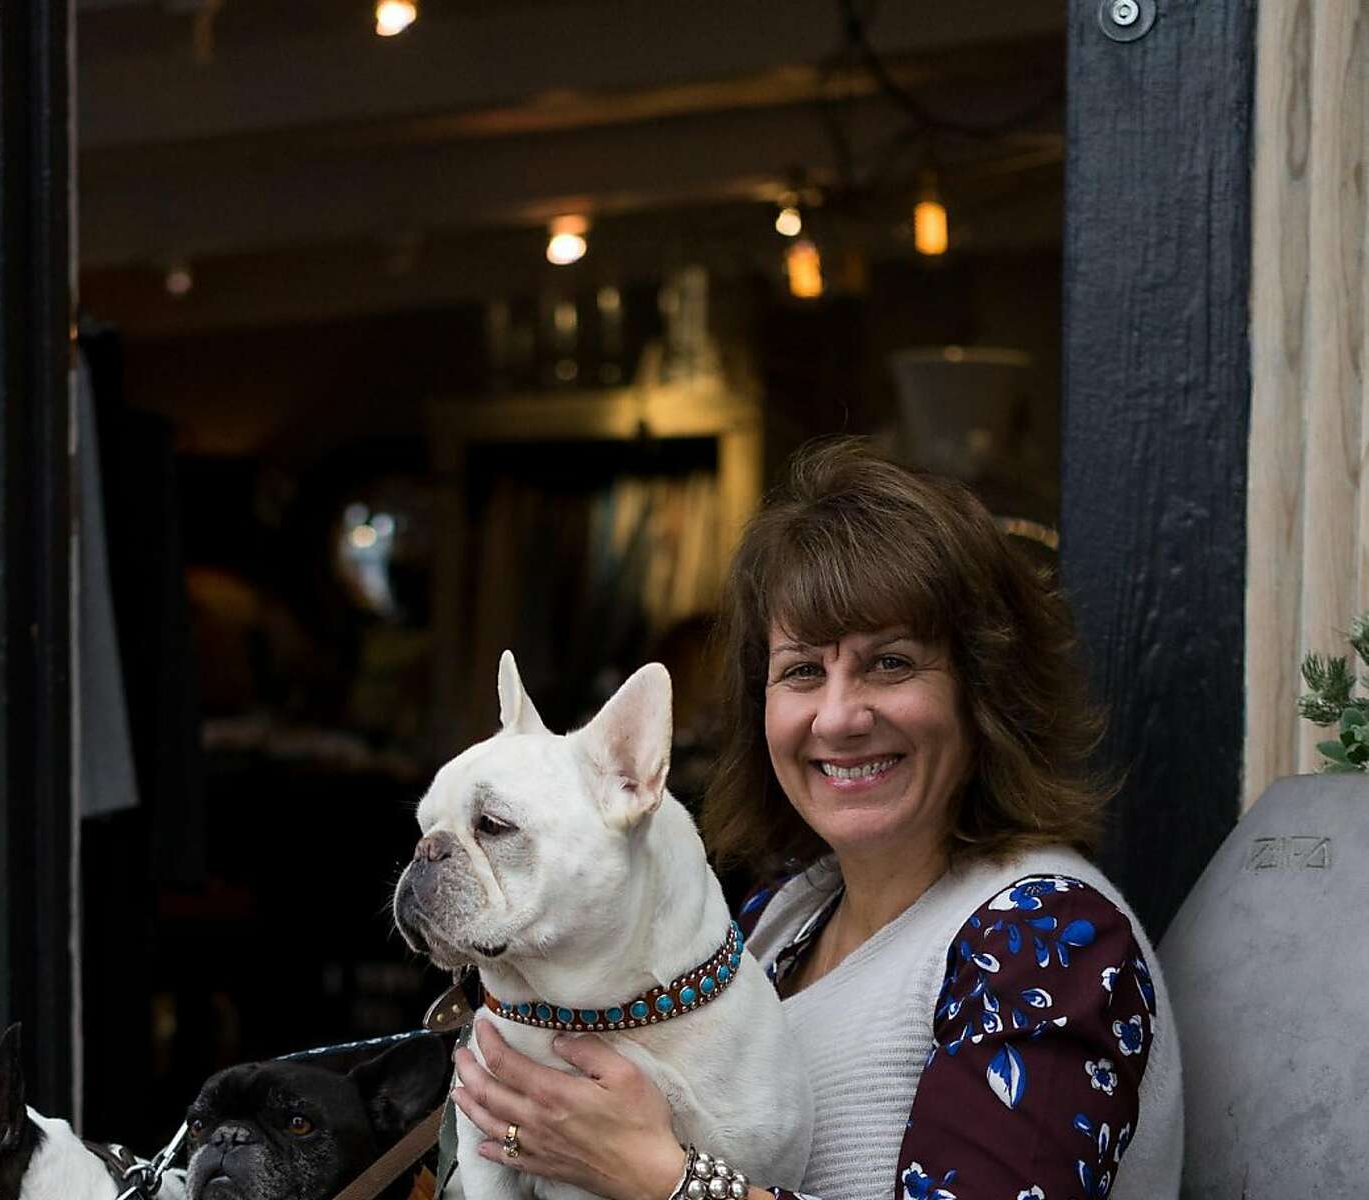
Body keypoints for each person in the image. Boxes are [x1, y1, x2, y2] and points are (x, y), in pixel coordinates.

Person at [448, 440, 1182, 1200]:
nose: (838, 717)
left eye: (890, 663)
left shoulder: (1050, 940)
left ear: (984, 690)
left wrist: (659, 1177)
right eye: (802, 671)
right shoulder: (783, 919)